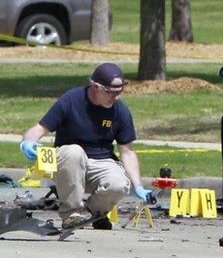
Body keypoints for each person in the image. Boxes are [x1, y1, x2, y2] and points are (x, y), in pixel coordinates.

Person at [19, 62, 151, 230]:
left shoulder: (120, 111)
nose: (116, 97)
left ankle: (94, 213)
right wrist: (27, 142)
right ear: (96, 86)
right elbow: (39, 128)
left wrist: (138, 187)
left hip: (101, 162)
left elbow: (127, 152)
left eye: (120, 92)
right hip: (68, 163)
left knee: (119, 184)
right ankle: (71, 214)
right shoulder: (71, 100)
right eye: (112, 92)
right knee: (74, 152)